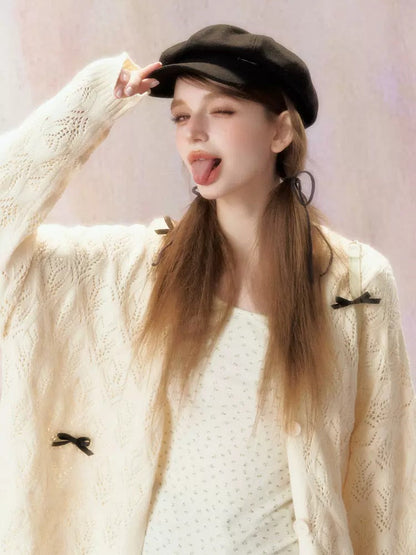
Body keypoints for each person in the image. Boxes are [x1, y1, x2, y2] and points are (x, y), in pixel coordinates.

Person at [0, 23, 414, 554]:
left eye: (221, 111)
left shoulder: (357, 283)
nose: (194, 132)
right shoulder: (136, 269)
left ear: (280, 133)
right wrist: (93, 101)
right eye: (180, 116)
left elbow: (383, 483)